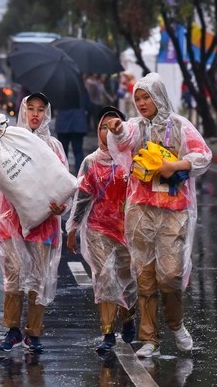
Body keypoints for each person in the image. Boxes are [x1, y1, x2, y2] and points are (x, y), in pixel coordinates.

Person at [106, 73, 212, 358]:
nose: (141, 103)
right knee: (145, 276)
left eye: (146, 97)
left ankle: (176, 324)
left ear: (159, 97)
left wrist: (176, 164)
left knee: (171, 275)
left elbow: (203, 155)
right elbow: (124, 138)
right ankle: (149, 338)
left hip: (173, 211)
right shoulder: (136, 127)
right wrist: (116, 130)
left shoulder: (180, 126)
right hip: (141, 209)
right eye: (137, 98)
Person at [0, 92, 68, 354]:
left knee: (38, 278)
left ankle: (34, 333)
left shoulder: (53, 147)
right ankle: (12, 330)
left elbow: (63, 183)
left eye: (41, 109)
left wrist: (61, 207)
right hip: (10, 220)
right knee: (14, 276)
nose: (36, 114)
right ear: (23, 111)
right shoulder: (8, 141)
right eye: (31, 108)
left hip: (43, 223)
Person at [65, 106, 137, 354]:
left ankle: (128, 318)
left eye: (112, 126)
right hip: (97, 229)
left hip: (128, 230)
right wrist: (73, 229)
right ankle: (107, 332)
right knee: (105, 279)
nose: (107, 132)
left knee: (129, 281)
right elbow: (83, 197)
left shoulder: (132, 159)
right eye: (102, 127)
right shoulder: (90, 162)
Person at [56, 105, 89, 174]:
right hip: (78, 123)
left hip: (63, 124)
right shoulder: (80, 94)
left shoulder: (60, 95)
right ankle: (80, 175)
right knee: (78, 151)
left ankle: (63, 174)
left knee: (62, 152)